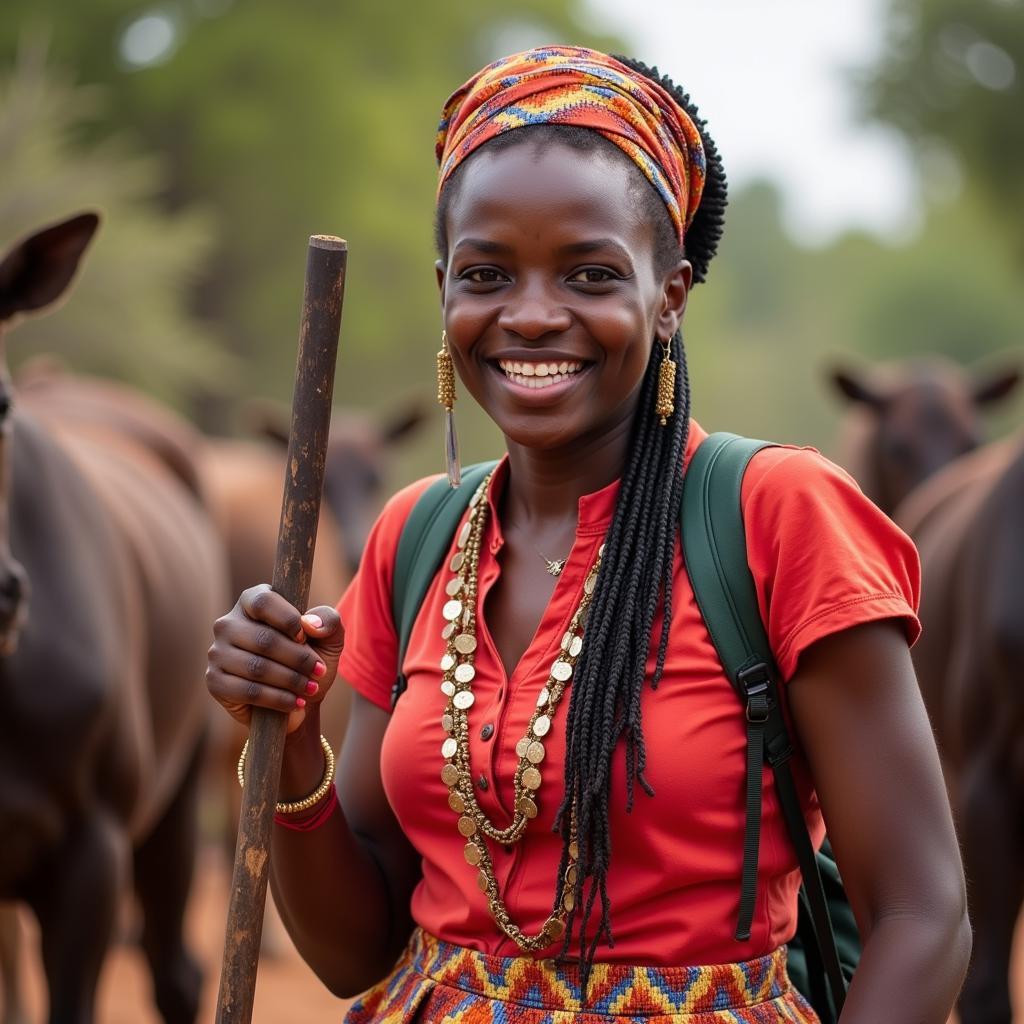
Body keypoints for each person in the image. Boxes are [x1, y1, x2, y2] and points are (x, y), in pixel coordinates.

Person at [206, 45, 971, 1022]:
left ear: (670, 294)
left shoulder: (775, 514)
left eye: (588, 274)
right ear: (446, 291)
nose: (529, 315)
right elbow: (355, 951)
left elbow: (922, 910)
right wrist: (292, 739)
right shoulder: (418, 536)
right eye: (487, 273)